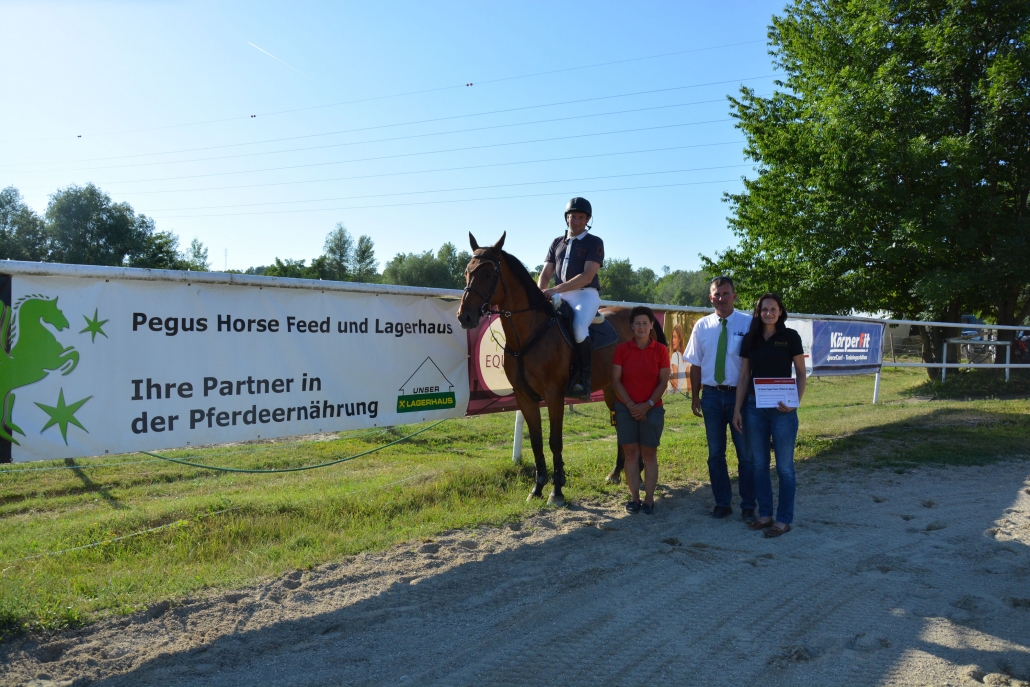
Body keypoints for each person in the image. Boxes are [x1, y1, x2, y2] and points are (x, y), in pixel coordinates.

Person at [732, 293, 806, 538]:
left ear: (780, 311)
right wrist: (737, 410)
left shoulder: (791, 337)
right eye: (764, 309)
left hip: (783, 411)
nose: (769, 313)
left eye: (773, 309)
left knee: (784, 468)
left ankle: (784, 520)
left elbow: (801, 373)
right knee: (760, 466)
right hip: (754, 408)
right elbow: (744, 377)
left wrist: (795, 403)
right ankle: (765, 515)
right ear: (758, 312)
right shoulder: (751, 338)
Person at [683, 276, 756, 521]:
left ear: (735, 296)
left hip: (741, 398)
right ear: (710, 297)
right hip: (712, 397)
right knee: (715, 454)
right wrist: (695, 396)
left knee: (746, 454)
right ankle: (722, 503)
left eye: (726, 293)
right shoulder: (701, 326)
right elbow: (694, 364)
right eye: (717, 294)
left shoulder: (748, 324)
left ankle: (748, 505)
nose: (721, 298)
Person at [537, 197, 605, 398]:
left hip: (585, 296)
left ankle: (583, 379)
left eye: (580, 217)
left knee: (578, 326)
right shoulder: (557, 242)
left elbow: (587, 276)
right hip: (559, 294)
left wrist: (554, 290)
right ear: (566, 218)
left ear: (587, 219)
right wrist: (541, 293)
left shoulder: (595, 242)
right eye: (572, 216)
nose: (575, 221)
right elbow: (545, 274)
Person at [611, 306, 671, 514]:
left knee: (649, 454)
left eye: (645, 323)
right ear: (631, 326)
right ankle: (634, 498)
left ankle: (649, 500)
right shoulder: (621, 350)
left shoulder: (661, 350)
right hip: (626, 409)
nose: (641, 327)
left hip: (652, 409)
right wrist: (630, 406)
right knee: (630, 454)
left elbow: (663, 382)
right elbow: (615, 380)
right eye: (637, 323)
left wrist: (647, 405)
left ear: (652, 325)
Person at [668, 323, 686, 393]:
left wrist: (667, 376)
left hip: (672, 394)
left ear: (679, 339)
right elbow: (689, 382)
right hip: (680, 393)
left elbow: (675, 384)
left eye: (675, 337)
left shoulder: (675, 355)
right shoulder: (685, 356)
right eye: (672, 337)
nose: (673, 340)